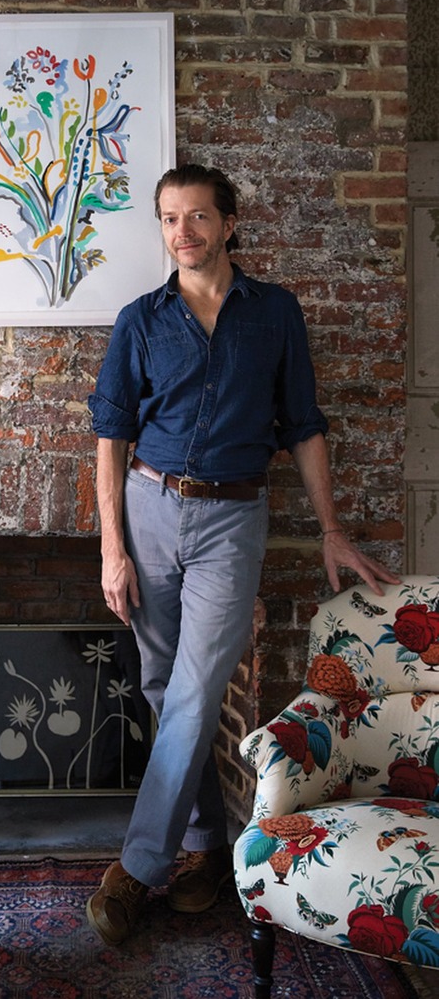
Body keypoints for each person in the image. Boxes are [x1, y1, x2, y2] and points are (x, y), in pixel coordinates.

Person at [85, 162, 399, 946]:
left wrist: (331, 528)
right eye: (167, 218)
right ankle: (201, 849)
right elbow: (109, 438)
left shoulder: (275, 315)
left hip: (233, 518)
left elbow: (303, 425)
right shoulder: (140, 319)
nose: (181, 232)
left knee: (193, 691)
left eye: (196, 216)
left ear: (228, 223)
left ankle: (135, 867)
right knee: (163, 686)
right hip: (149, 509)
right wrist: (111, 549)